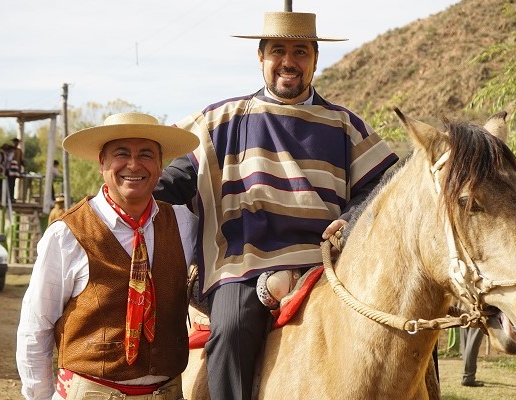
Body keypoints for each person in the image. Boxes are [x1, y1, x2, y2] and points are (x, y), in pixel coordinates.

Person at [154, 11, 398, 400]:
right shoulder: (221, 120)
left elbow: (387, 186)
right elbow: (175, 178)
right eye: (278, 51)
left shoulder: (345, 125)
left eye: (300, 51)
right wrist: (135, 186)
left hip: (327, 265)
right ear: (260, 57)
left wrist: (351, 219)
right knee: (232, 329)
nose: (289, 61)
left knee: (402, 323)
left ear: (315, 60)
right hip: (244, 263)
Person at [16, 112, 199, 400]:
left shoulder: (184, 224)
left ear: (161, 165)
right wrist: (39, 396)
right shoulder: (66, 234)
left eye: (146, 155)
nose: (134, 164)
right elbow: (36, 325)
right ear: (102, 162)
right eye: (121, 153)